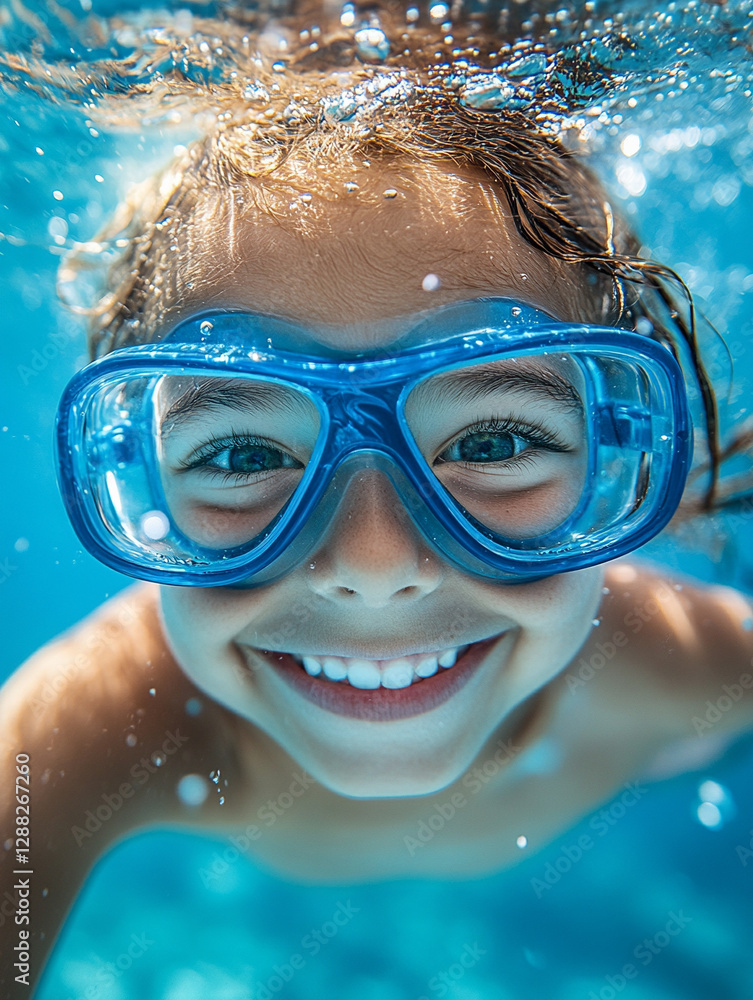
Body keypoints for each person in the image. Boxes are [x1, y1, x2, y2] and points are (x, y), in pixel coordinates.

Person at [2, 1, 753, 994]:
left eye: (493, 442)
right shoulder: (91, 731)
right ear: (140, 482)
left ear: (616, 462)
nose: (372, 564)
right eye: (241, 454)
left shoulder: (686, 664)